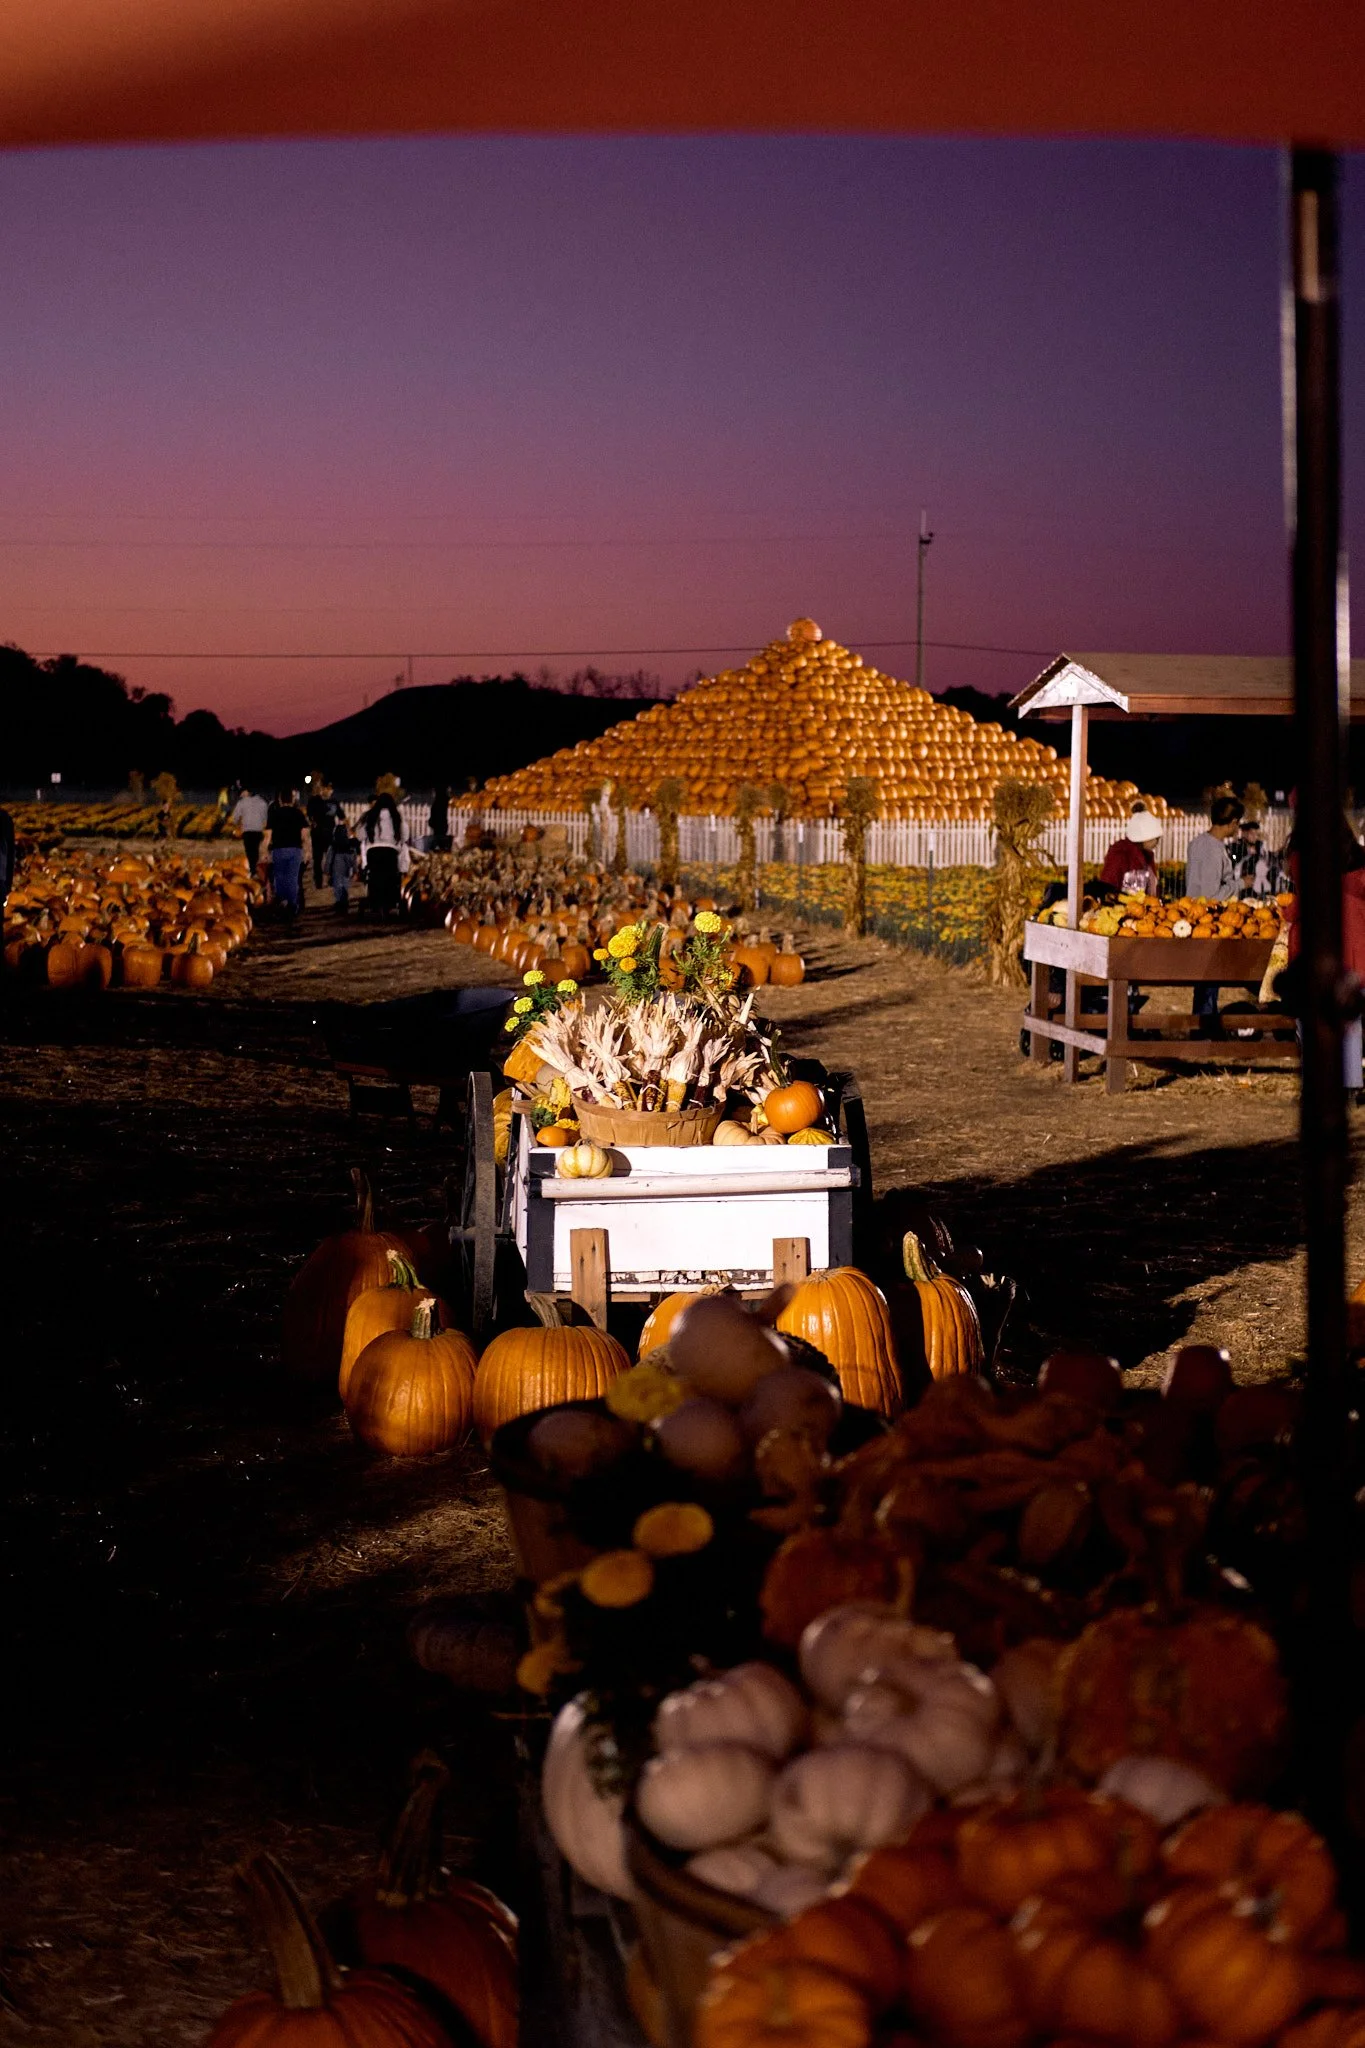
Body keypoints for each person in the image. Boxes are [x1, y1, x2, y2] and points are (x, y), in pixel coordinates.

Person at [1185, 794, 1244, 1036]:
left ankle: (1202, 1024)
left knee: (1204, 979)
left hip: (1194, 915)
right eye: (1237, 823)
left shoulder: (1197, 843)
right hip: (1208, 918)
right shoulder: (1213, 849)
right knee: (1209, 976)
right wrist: (1240, 884)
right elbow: (1211, 895)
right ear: (1232, 822)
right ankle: (1204, 1027)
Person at [358, 789, 407, 916]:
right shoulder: (396, 816)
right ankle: (390, 901)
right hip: (390, 851)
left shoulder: (370, 815)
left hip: (373, 851)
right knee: (391, 876)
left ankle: (374, 900)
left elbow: (360, 835)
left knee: (374, 876)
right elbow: (405, 836)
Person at [1100, 806, 1164, 893]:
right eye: (1156, 839)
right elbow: (1108, 884)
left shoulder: (1147, 856)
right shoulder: (1120, 854)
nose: (1157, 843)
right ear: (1145, 838)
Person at [266, 788, 308, 916]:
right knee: (293, 878)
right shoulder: (299, 814)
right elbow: (305, 836)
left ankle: (282, 902)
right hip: (295, 850)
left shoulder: (274, 814)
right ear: (293, 799)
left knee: (279, 877)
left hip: (278, 849)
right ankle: (292, 904)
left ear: (280, 800)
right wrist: (307, 851)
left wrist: (264, 852)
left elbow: (267, 836)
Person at [306, 779, 340, 890]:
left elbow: (341, 816)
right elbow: (309, 815)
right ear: (323, 789)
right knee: (318, 859)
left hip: (331, 833)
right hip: (318, 833)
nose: (330, 791)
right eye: (328, 789)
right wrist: (313, 823)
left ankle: (331, 879)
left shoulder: (334, 802)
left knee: (332, 857)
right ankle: (318, 881)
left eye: (331, 789)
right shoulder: (314, 800)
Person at [322, 816, 360, 914]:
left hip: (336, 870)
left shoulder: (333, 846)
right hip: (347, 870)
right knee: (345, 886)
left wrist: (326, 872)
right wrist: (355, 871)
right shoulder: (351, 846)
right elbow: (354, 860)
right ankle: (344, 903)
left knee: (338, 887)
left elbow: (328, 860)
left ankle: (339, 903)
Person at [230, 786, 269, 878]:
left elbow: (235, 818)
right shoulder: (262, 802)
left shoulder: (242, 803)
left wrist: (237, 824)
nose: (241, 796)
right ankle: (256, 869)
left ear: (245, 792)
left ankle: (253, 870)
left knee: (250, 851)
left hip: (247, 831)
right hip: (258, 831)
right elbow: (266, 817)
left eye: (241, 794)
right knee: (256, 850)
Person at [428, 783, 451, 853]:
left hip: (438, 826)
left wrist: (431, 822)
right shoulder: (444, 801)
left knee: (438, 841)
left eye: (434, 791)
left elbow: (434, 815)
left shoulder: (437, 803)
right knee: (441, 842)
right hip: (442, 826)